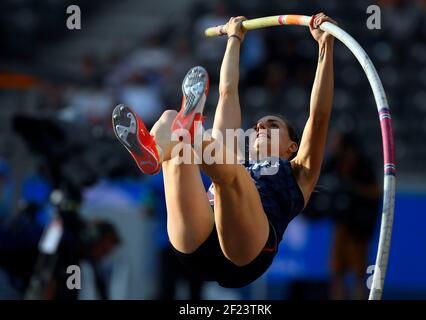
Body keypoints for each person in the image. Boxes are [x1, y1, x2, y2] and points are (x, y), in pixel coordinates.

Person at [112, 13, 337, 288]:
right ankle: (155, 152)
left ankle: (190, 129)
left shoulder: (298, 171)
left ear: (292, 146)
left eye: (273, 125)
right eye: (257, 125)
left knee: (229, 174)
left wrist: (325, 46)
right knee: (172, 121)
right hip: (196, 241)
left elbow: (319, 116)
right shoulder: (232, 152)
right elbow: (228, 92)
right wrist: (234, 38)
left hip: (247, 254)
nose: (261, 127)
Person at [323, 130, 381, 300]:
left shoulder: (364, 164)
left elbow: (375, 192)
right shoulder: (333, 163)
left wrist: (352, 188)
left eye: (336, 142)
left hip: (359, 229)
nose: (332, 146)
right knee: (336, 271)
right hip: (341, 226)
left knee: (359, 274)